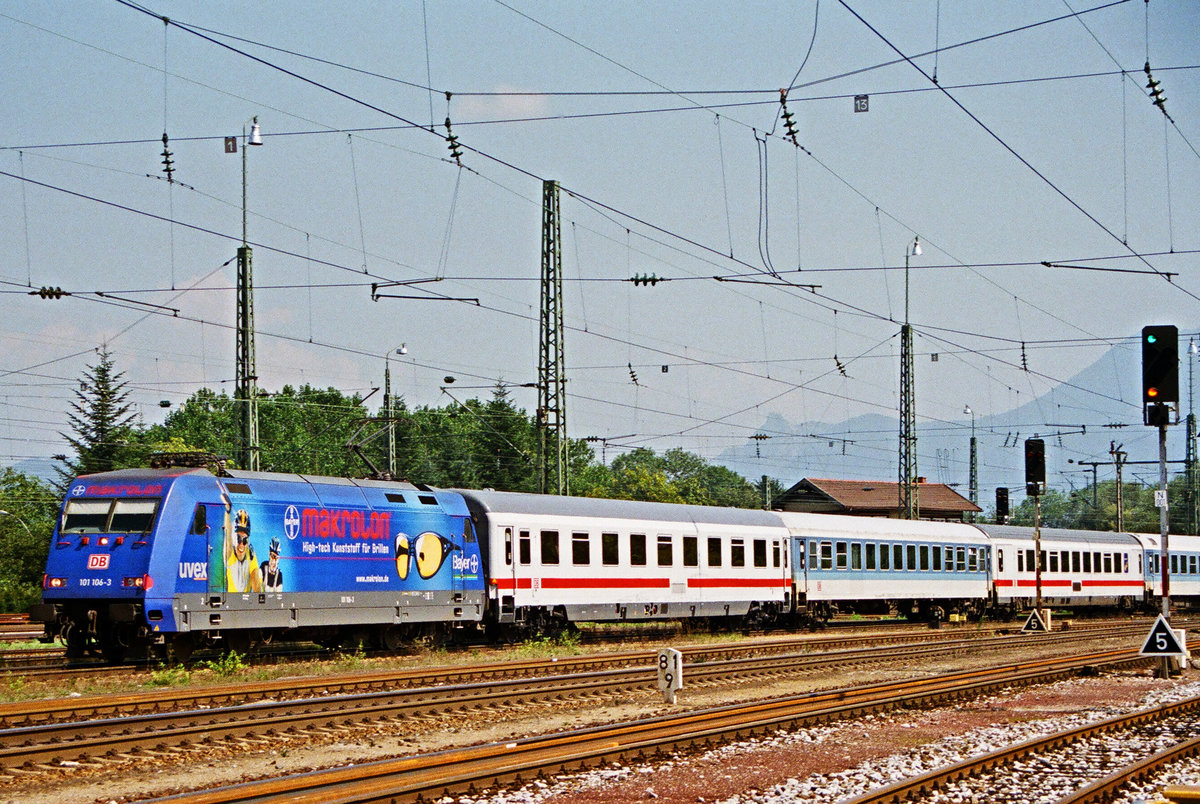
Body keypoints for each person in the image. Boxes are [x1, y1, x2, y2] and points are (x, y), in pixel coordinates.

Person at [225, 509, 262, 593]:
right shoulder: (230, 553)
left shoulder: (251, 555)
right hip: (231, 600)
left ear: (248, 541)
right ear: (234, 539)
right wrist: (227, 512)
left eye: (245, 540)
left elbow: (257, 590)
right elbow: (228, 535)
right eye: (238, 539)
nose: (241, 544)